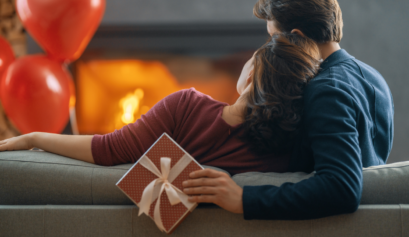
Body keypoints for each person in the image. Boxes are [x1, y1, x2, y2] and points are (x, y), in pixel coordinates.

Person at [0, 33, 320, 209]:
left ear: (251, 73)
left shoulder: (185, 106)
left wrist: (33, 139)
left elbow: (107, 149)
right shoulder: (290, 158)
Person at [182, 0, 394, 220]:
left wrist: (243, 198)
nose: (271, 46)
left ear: (297, 35)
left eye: (273, 37)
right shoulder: (373, 77)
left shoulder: (326, 90)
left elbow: (342, 186)